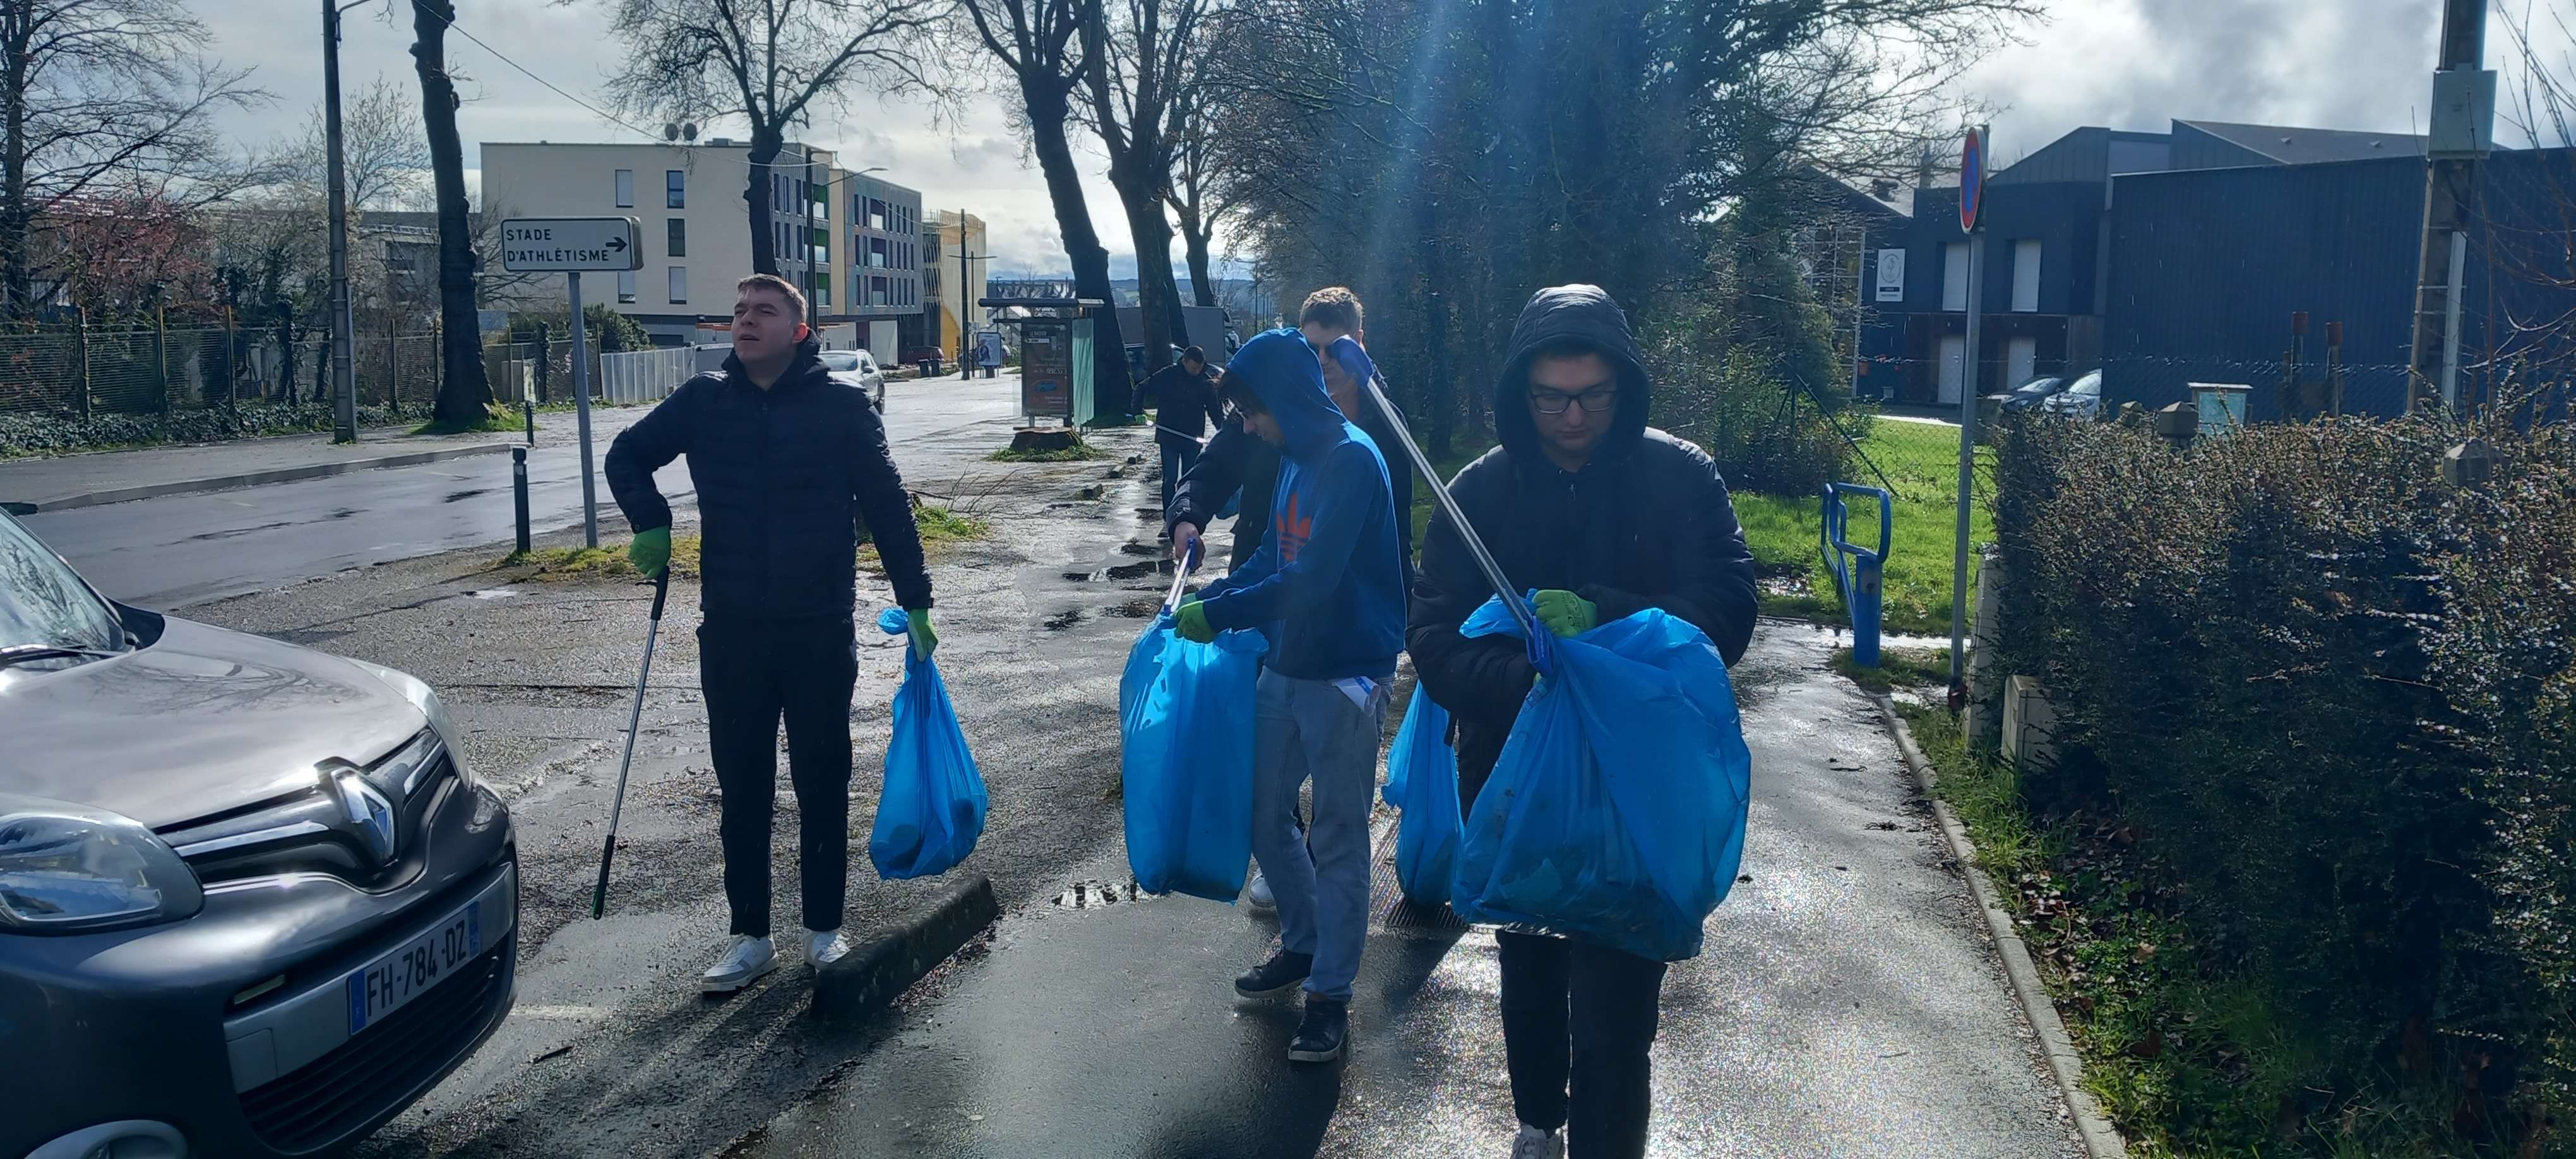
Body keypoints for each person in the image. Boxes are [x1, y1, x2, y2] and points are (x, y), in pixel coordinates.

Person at [1407, 285, 1757, 1159]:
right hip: (1514, 775)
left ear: (1624, 387)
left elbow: (1727, 605)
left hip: (1638, 780)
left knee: (1618, 1002)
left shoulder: (1680, 478)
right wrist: (1528, 676)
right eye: (1551, 396)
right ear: (1520, 393)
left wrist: (1607, 621)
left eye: (1592, 395)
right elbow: (1434, 636)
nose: (1571, 416)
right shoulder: (1476, 493)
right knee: (1528, 964)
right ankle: (1536, 1118)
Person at [604, 273, 939, 995]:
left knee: (823, 779)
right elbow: (625, 457)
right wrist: (652, 524)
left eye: (764, 311)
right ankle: (750, 935)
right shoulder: (704, 401)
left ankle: (824, 929)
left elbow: (886, 505)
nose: (745, 321)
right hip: (731, 630)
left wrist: (916, 601)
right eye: (738, 312)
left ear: (798, 328)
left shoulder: (842, 409)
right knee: (743, 785)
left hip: (817, 627)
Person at [1174, 328, 1405, 1065]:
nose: (1244, 424)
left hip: (1345, 672)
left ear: (1281, 397)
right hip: (1288, 661)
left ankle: (1331, 996)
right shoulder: (1295, 460)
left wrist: (1221, 615)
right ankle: (1304, 942)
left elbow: (1312, 582)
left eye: (1248, 410)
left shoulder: (1352, 461)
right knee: (1261, 811)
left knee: (1337, 834)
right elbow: (1277, 555)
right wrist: (1218, 590)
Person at [1136, 345, 1224, 530]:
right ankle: (1168, 515)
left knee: (1188, 479)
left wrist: (1223, 433)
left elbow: (1215, 412)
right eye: (1193, 368)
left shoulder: (1205, 383)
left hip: (1192, 439)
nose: (1196, 372)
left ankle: (1185, 514)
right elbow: (1142, 388)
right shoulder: (1167, 376)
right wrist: (1137, 411)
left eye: (1199, 368)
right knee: (1169, 479)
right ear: (1184, 362)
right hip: (1168, 436)